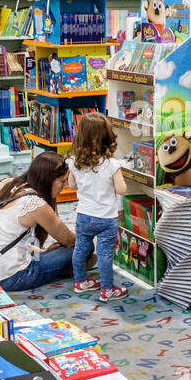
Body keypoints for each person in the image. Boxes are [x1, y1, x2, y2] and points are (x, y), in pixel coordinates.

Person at [0, 151, 76, 293]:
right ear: (49, 180)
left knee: (54, 253)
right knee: (81, 249)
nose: (65, 186)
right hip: (9, 277)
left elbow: (5, 235)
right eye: (62, 181)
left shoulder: (4, 183)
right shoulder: (35, 203)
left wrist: (41, 252)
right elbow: (68, 240)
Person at [66, 112, 128, 302]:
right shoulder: (111, 164)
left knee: (81, 249)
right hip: (106, 219)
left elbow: (71, 185)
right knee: (104, 254)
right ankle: (107, 291)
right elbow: (122, 189)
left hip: (84, 216)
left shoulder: (74, 162)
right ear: (106, 136)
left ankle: (80, 282)